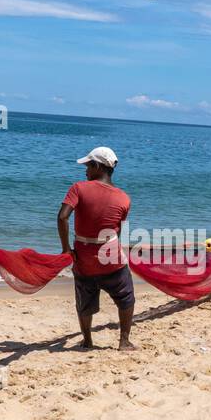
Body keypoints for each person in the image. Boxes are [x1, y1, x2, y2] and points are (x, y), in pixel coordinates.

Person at [58, 147, 136, 351]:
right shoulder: (124, 198)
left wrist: (66, 249)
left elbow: (62, 217)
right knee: (126, 297)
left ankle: (87, 341)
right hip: (111, 260)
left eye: (88, 165)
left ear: (98, 166)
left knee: (84, 301)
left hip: (84, 260)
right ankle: (124, 341)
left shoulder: (78, 188)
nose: (85, 170)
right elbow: (119, 232)